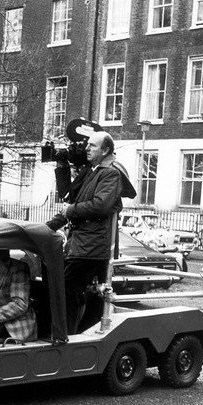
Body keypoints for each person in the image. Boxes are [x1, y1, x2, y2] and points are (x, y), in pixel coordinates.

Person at [46, 131, 124, 334]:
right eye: (87, 145)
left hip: (92, 246)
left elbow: (99, 205)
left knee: (67, 289)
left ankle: (66, 336)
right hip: (81, 244)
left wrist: (70, 211)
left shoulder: (110, 173)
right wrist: (46, 228)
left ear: (106, 150)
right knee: (67, 288)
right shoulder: (92, 171)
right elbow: (69, 196)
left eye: (93, 146)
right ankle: (73, 333)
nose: (87, 149)